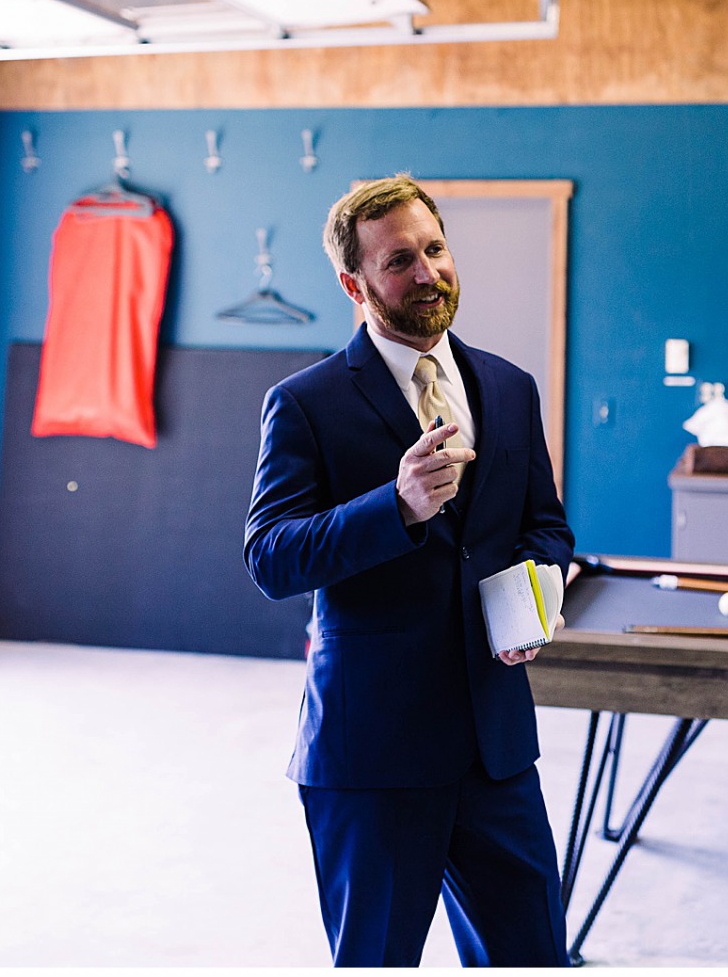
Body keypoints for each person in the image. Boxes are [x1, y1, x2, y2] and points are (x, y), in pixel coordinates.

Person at [244, 174, 573, 967]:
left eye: (435, 248)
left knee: (535, 956)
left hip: (494, 747)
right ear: (355, 284)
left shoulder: (509, 386)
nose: (427, 272)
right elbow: (270, 555)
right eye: (399, 260)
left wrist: (534, 597)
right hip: (374, 757)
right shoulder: (306, 403)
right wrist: (393, 506)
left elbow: (545, 527)